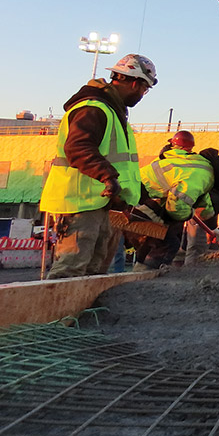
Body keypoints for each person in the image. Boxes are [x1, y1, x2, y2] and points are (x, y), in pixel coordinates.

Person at [40, 54, 157, 279]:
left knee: (94, 271)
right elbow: (78, 148)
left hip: (100, 203)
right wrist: (108, 177)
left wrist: (141, 195)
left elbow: (120, 162)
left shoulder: (112, 112)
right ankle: (58, 315)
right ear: (135, 83)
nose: (143, 95)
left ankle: (82, 314)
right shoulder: (93, 108)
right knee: (71, 269)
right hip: (80, 202)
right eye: (145, 89)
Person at [132, 130, 215, 270]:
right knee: (168, 242)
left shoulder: (164, 160)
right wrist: (196, 215)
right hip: (142, 205)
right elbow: (177, 206)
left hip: (139, 202)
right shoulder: (192, 165)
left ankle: (140, 271)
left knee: (157, 239)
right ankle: (148, 275)